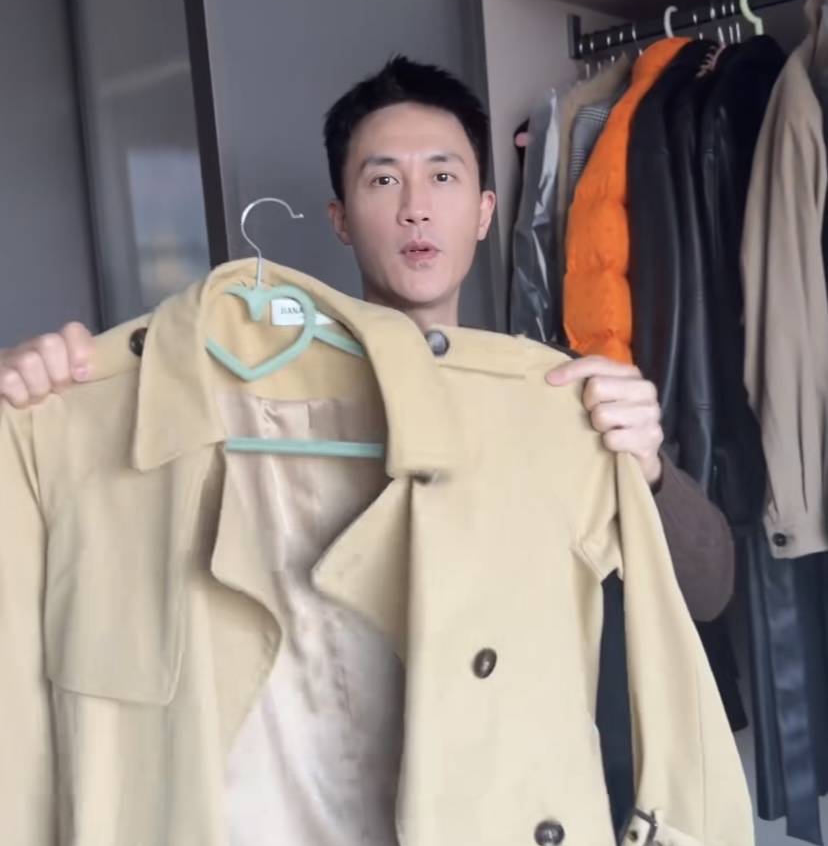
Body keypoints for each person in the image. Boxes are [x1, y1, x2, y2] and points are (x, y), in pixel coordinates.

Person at [0, 55, 733, 620]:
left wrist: (649, 472)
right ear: (341, 219)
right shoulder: (259, 398)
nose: (416, 209)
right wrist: (27, 399)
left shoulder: (557, 390)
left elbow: (709, 591)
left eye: (442, 177)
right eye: (383, 181)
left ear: (484, 212)